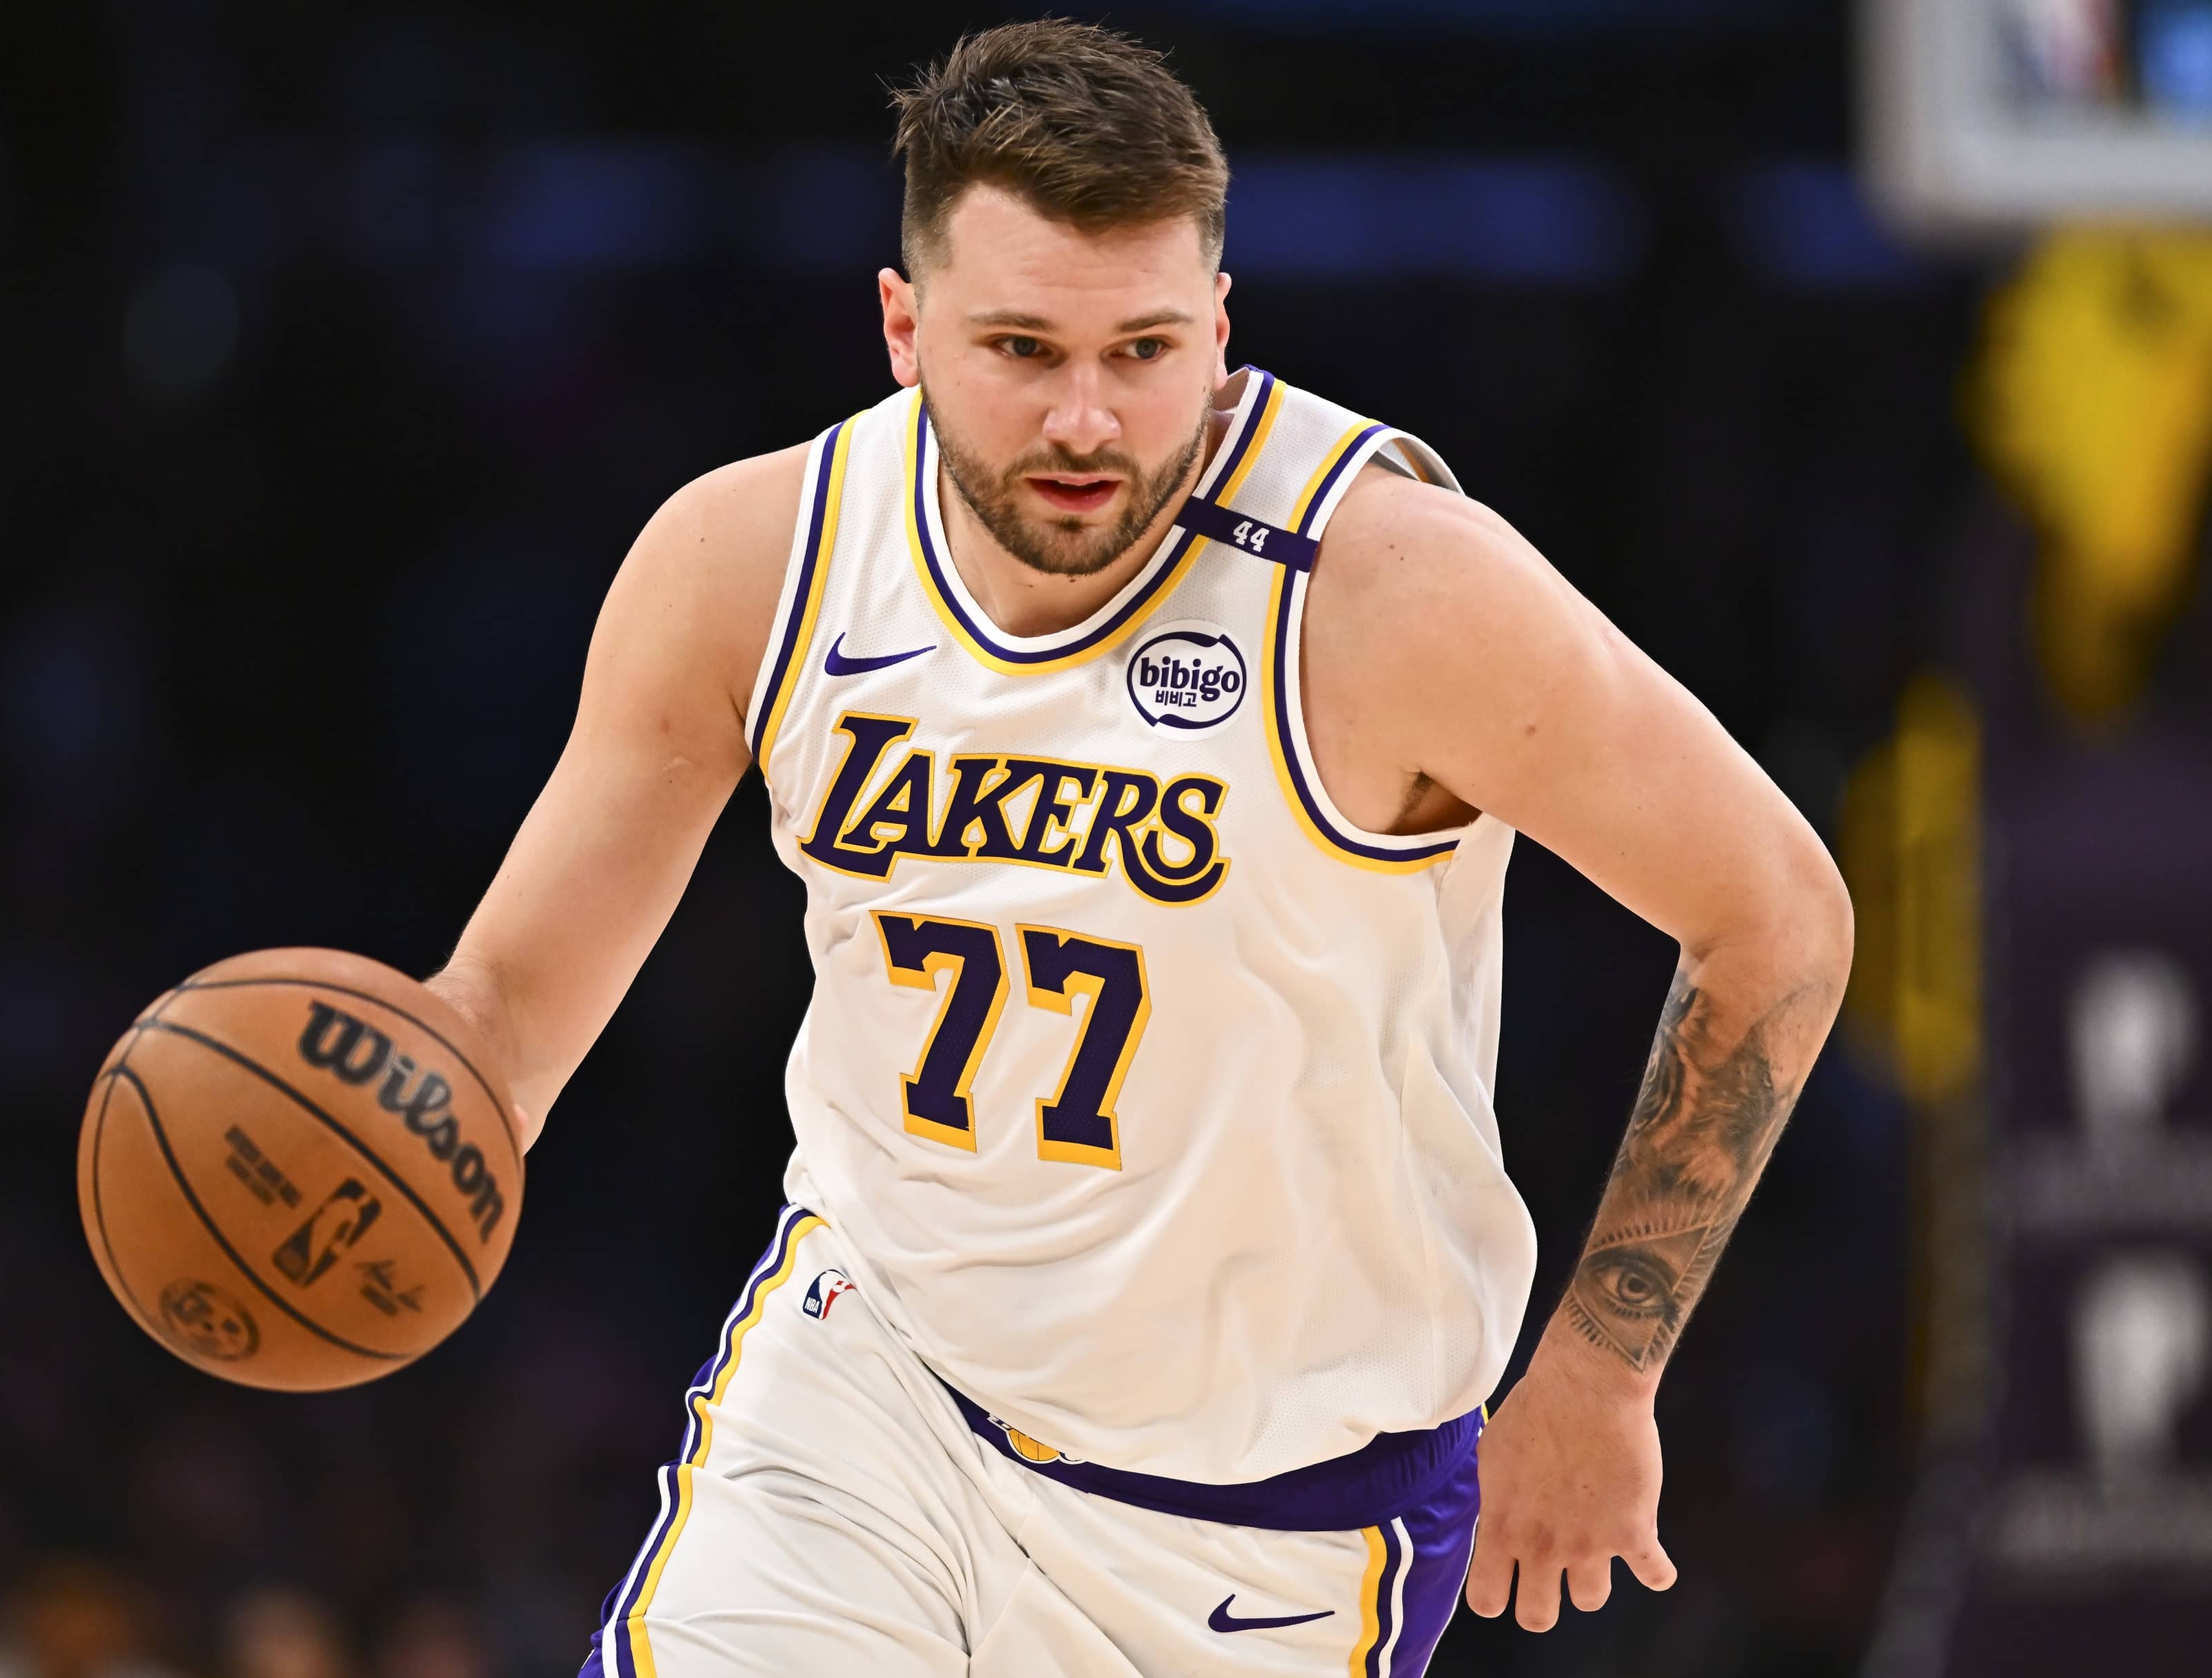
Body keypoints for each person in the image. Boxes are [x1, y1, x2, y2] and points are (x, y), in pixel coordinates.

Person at [428, 20, 1852, 1677]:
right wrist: (375, 1154)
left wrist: (1604, 1368)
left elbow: (1779, 912)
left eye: (1145, 350)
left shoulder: (1389, 589)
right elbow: (503, 1016)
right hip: (873, 1392)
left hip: (1265, 1521)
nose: (1087, 418)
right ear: (904, 328)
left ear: (1220, 328)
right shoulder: (756, 559)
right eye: (1022, 350)